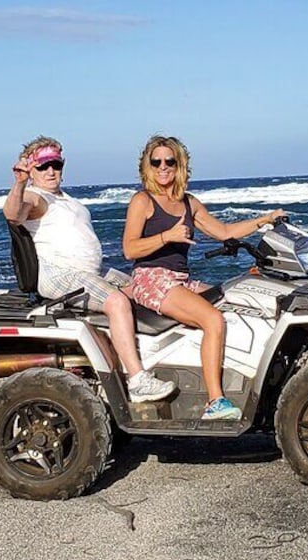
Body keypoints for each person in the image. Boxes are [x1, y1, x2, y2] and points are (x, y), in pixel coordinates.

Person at [122, 135, 285, 420]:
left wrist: (264, 220)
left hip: (181, 279)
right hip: (150, 278)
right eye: (156, 161)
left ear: (179, 164)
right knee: (212, 319)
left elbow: (223, 231)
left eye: (169, 161)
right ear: (147, 166)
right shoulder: (142, 201)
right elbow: (129, 248)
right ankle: (215, 401)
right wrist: (167, 236)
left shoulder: (189, 203)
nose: (163, 167)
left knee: (236, 302)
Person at [3, 135, 174, 402]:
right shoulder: (35, 197)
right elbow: (14, 214)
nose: (51, 171)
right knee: (117, 302)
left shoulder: (65, 199)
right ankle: (138, 379)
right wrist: (19, 182)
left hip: (90, 274)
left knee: (144, 289)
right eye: (43, 166)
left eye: (56, 165)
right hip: (61, 274)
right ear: (31, 170)